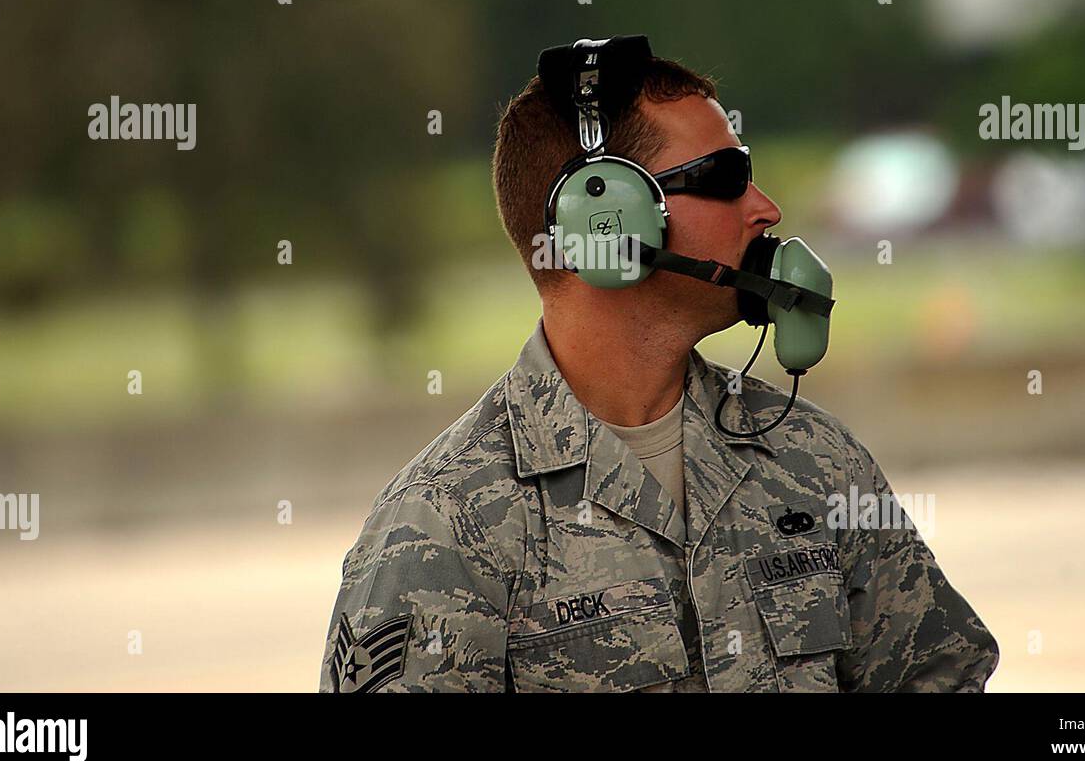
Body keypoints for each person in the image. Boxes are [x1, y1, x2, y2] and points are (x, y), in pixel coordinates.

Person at [319, 40, 1000, 692]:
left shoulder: (814, 461)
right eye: (727, 178)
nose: (765, 209)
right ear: (608, 222)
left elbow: (938, 676)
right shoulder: (445, 524)